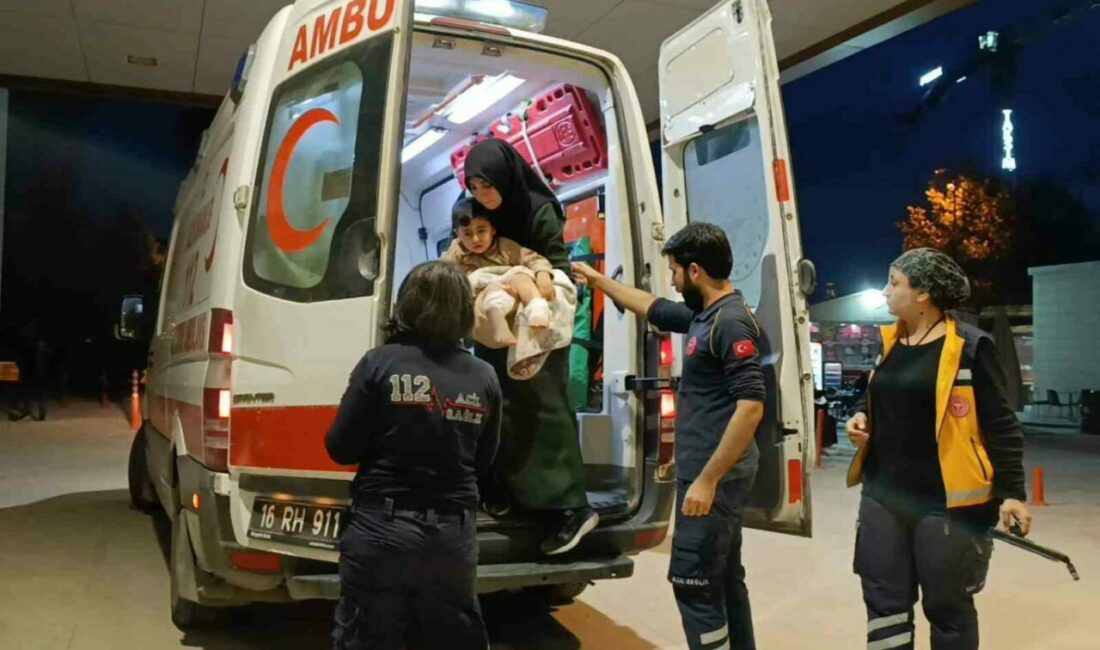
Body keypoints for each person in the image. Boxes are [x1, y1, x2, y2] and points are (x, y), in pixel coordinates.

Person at [573, 222, 765, 650]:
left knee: (693, 583)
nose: (674, 282)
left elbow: (751, 407)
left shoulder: (730, 322)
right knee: (725, 580)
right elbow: (652, 306)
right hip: (708, 472)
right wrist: (598, 280)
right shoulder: (705, 315)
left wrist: (707, 480)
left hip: (715, 477)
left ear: (694, 270)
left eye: (675, 272)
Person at [845, 247, 1031, 650]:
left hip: (945, 504)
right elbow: (880, 396)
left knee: (947, 608)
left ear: (923, 293)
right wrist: (861, 417)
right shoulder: (890, 341)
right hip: (882, 495)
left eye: (893, 283)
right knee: (884, 606)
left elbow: (1001, 424)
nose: (884, 291)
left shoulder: (969, 346)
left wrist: (1013, 493)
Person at [325, 261, 501, 650]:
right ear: (463, 310)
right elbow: (485, 460)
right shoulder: (484, 375)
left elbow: (339, 448)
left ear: (407, 304)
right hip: (451, 540)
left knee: (368, 636)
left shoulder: (379, 362)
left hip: (380, 531)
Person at [462, 138, 598, 555]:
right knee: (500, 411)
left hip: (540, 330)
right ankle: (511, 495)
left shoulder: (539, 210)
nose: (482, 197)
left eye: (488, 186)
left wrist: (527, 286)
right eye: (474, 187)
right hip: (496, 333)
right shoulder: (482, 214)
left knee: (546, 412)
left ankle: (572, 509)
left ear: (506, 177)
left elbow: (557, 268)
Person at [442, 197, 557, 347]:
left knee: (521, 276)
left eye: (481, 230)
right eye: (467, 234)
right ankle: (500, 327)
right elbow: (442, 277)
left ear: (493, 229)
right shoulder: (455, 253)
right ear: (458, 234)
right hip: (485, 299)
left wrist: (543, 273)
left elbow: (533, 259)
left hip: (512, 291)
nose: (476, 239)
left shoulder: (504, 246)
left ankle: (537, 309)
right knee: (492, 292)